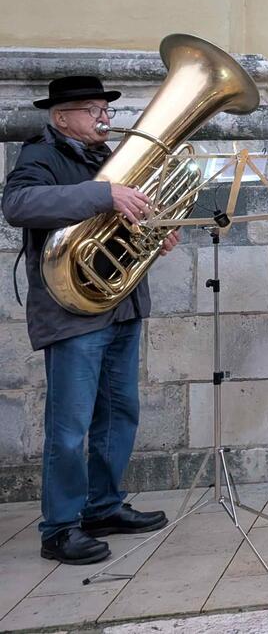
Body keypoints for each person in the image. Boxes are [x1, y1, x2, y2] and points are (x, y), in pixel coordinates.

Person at [2, 76, 177, 565]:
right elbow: (17, 206)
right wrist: (105, 196)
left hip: (120, 304)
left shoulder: (107, 159)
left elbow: (121, 225)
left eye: (106, 110)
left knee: (119, 414)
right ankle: (59, 527)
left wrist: (153, 233)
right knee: (70, 426)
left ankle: (103, 507)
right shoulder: (40, 154)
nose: (104, 118)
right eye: (92, 110)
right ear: (61, 118)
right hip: (72, 311)